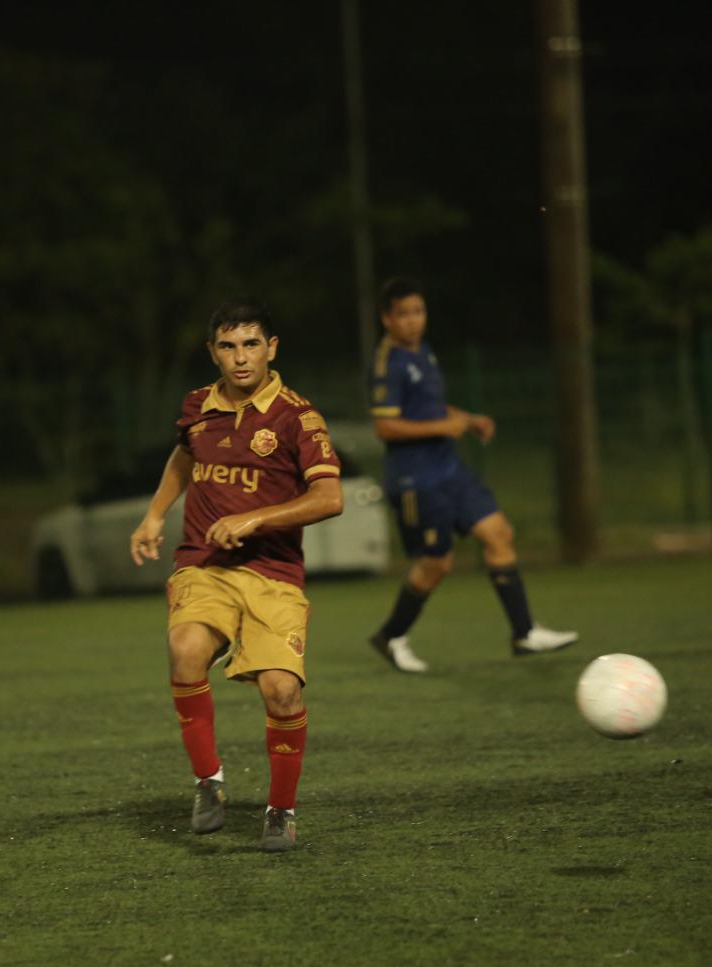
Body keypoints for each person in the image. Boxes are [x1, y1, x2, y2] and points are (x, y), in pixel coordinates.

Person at [129, 298, 343, 853]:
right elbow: (185, 456)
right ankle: (209, 782)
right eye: (228, 346)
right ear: (213, 352)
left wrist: (254, 518)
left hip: (273, 574)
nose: (240, 358)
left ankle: (280, 809)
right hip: (206, 567)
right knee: (185, 651)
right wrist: (155, 515)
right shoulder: (198, 405)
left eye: (251, 345)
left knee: (281, 694)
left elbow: (329, 496)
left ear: (272, 349)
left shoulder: (298, 417)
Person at [366, 277, 577, 672]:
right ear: (386, 319)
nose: (413, 321)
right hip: (417, 480)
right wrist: (443, 428)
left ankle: (524, 632)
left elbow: (430, 407)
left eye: (419, 311)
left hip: (449, 468)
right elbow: (385, 427)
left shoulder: (422, 352)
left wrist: (467, 418)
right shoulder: (387, 364)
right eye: (404, 314)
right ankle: (391, 635)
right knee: (436, 564)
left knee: (499, 533)